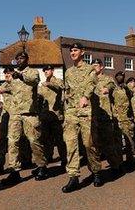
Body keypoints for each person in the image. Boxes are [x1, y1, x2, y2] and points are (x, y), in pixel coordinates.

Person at [1, 52, 48, 185]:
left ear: (27, 59)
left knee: (34, 141)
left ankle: (41, 166)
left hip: (29, 113)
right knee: (12, 142)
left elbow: (34, 81)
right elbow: (7, 88)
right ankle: (14, 171)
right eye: (18, 58)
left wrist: (20, 75)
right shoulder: (13, 76)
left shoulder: (32, 72)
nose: (20, 60)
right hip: (15, 114)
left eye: (22, 58)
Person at [61, 42, 102, 193]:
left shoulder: (90, 69)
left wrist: (85, 96)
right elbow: (67, 91)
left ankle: (96, 171)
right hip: (71, 112)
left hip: (86, 111)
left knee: (88, 144)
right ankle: (73, 177)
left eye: (75, 50)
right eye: (71, 50)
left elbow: (91, 84)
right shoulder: (68, 72)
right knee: (70, 143)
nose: (72, 52)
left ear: (82, 52)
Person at [91, 59, 123, 175]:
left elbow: (111, 86)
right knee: (93, 145)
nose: (94, 67)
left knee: (108, 144)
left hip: (105, 117)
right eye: (93, 65)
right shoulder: (89, 80)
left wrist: (107, 89)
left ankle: (115, 166)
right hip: (93, 116)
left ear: (101, 67)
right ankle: (96, 172)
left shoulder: (108, 79)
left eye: (96, 65)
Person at [38, 64, 67, 166]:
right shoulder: (42, 84)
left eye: (48, 69)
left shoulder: (58, 81)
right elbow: (39, 96)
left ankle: (64, 158)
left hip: (56, 115)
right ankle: (48, 157)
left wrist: (50, 84)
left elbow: (59, 89)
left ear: (52, 71)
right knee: (47, 139)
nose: (46, 71)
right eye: (44, 70)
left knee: (60, 139)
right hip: (46, 116)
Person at [112, 71, 135, 168]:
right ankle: (119, 162)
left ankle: (130, 160)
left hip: (126, 118)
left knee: (129, 140)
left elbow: (131, 94)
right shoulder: (113, 89)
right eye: (118, 76)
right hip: (117, 118)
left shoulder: (128, 88)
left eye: (121, 76)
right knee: (117, 141)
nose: (119, 77)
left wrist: (125, 86)